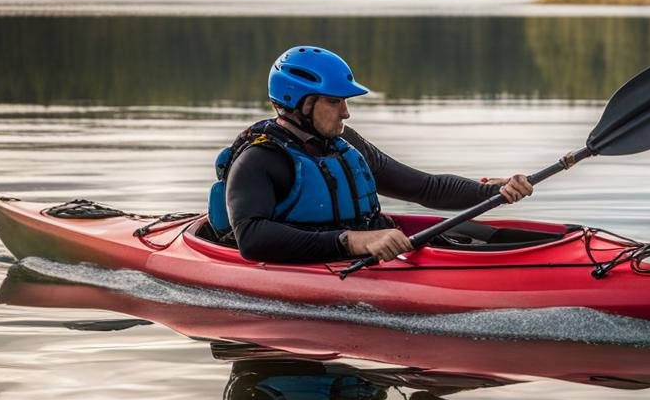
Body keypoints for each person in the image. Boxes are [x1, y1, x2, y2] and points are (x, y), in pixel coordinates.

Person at [207, 46, 532, 264]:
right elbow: (252, 240)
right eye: (335, 102)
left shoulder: (344, 143)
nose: (346, 113)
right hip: (322, 261)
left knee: (497, 239)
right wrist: (354, 242)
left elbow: (426, 188)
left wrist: (493, 190)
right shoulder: (259, 159)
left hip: (375, 249)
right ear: (301, 103)